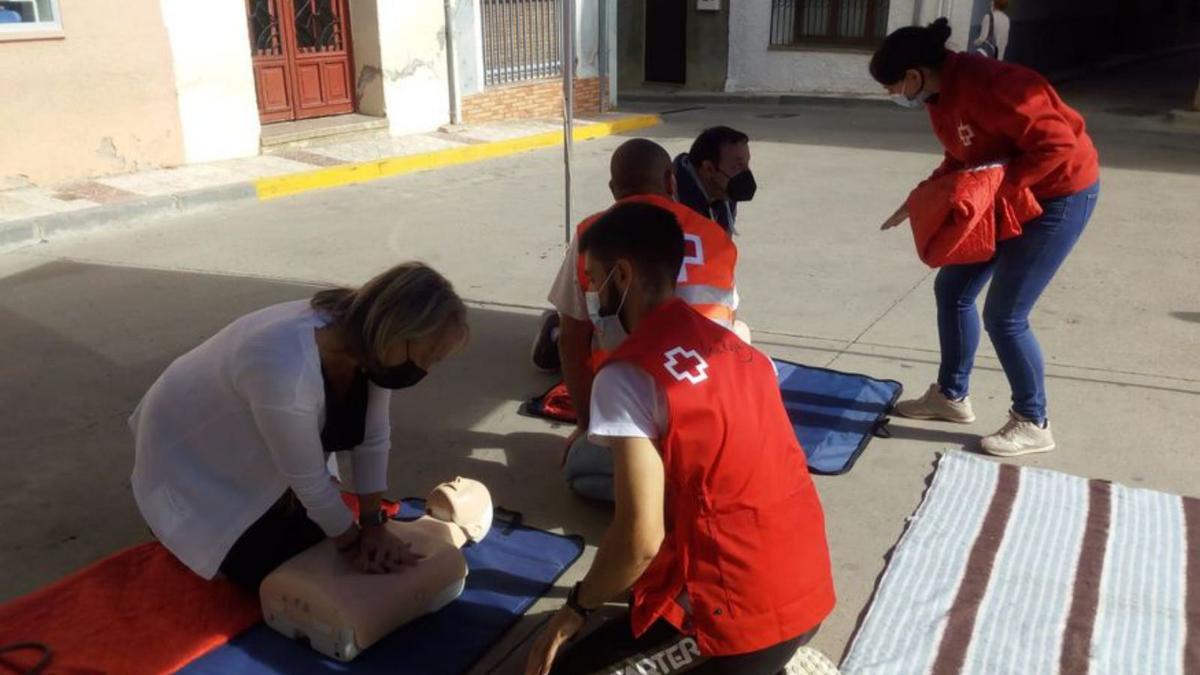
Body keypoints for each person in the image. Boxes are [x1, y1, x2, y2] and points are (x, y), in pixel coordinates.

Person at [523, 203, 835, 675]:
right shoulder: (738, 348)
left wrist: (575, 610)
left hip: (745, 624)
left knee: (568, 667)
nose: (590, 294)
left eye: (592, 278)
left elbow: (639, 539)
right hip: (808, 590)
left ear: (621, 275)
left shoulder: (628, 375)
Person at [129, 262, 470, 591]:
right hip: (190, 460)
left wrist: (373, 525)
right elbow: (307, 481)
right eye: (427, 355)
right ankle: (175, 522)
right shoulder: (282, 363)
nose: (424, 368)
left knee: (322, 548)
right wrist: (353, 547)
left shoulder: (368, 346)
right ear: (394, 330)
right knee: (281, 570)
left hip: (257, 449)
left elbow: (373, 437)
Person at [873, 18, 1100, 457]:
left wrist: (1001, 192)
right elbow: (962, 156)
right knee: (953, 289)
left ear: (915, 75)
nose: (894, 95)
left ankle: (1034, 421)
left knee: (1006, 315)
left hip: (1059, 194)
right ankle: (951, 396)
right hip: (1002, 192)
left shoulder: (1002, 85)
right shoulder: (939, 100)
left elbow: (1059, 147)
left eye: (894, 86)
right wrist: (922, 197)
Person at [541, 138, 742, 501]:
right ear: (671, 182)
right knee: (740, 331)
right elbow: (727, 325)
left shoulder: (594, 235)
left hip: (642, 410)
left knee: (583, 468)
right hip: (711, 427)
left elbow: (572, 341)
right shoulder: (715, 237)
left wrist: (587, 427)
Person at [672, 126, 755, 233]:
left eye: (747, 164)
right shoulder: (673, 205)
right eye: (737, 166)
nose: (746, 173)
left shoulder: (722, 192)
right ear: (709, 169)